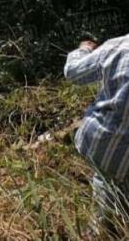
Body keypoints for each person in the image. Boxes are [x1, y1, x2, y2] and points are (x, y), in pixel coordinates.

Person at [64, 36, 129, 237]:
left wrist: (83, 49)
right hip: (113, 152)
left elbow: (74, 72)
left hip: (104, 145)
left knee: (106, 218)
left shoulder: (119, 46)